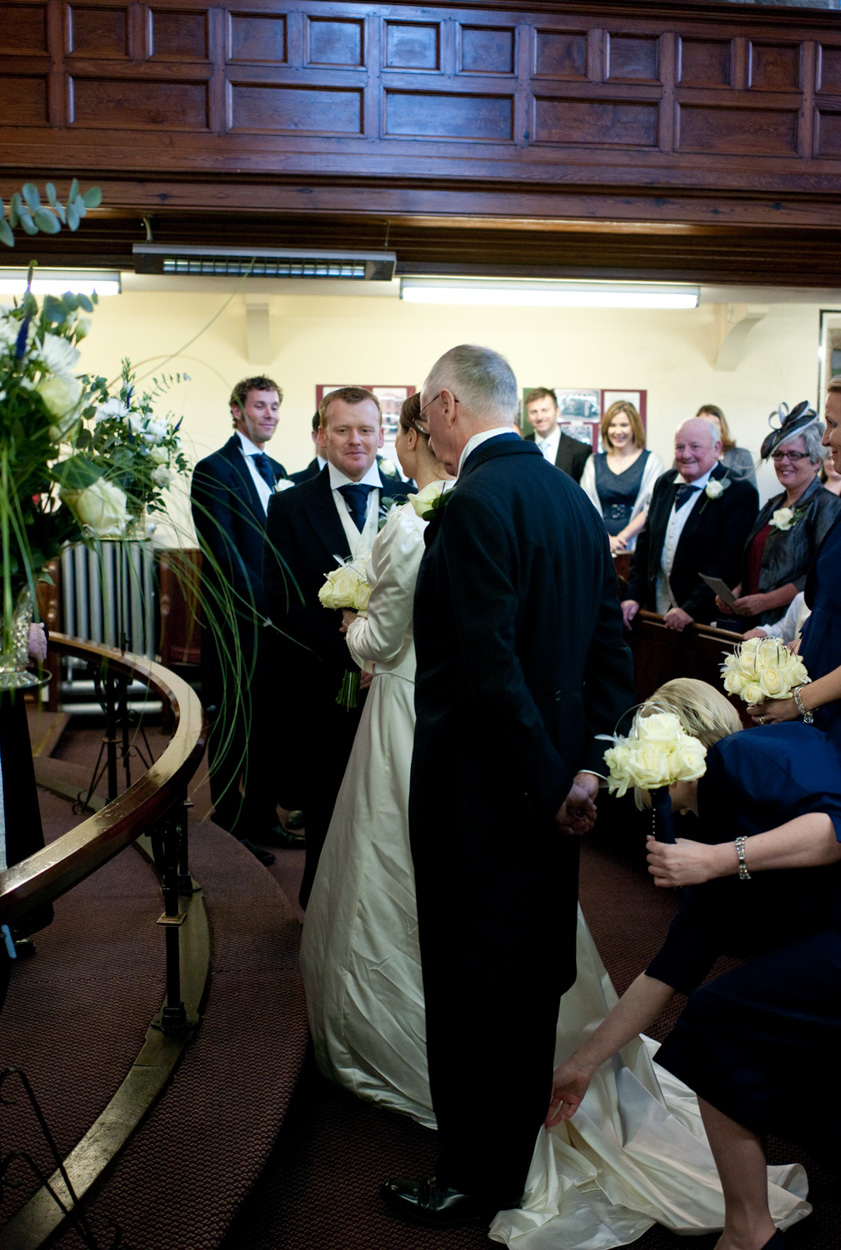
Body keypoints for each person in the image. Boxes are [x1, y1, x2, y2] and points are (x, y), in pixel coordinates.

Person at [382, 345, 636, 1229]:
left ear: (448, 405)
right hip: (555, 791)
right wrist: (587, 769)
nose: (424, 428)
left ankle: (470, 1172)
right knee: (526, 979)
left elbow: (488, 671)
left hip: (481, 796)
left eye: (424, 410)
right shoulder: (571, 500)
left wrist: (547, 781)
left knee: (467, 987)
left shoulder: (474, 504)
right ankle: (512, 1151)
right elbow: (609, 652)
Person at [548, 677, 836, 1250]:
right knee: (731, 1015)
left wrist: (721, 860)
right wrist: (582, 1064)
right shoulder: (703, 829)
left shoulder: (748, 753)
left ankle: (748, 1233)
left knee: (719, 1018)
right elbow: (671, 968)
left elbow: (836, 829)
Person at [299, 393, 452, 1126]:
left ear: (408, 438)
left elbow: (381, 642)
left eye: (379, 430)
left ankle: (383, 1026)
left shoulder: (409, 520)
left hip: (398, 705)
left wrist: (353, 624)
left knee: (385, 849)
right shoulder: (470, 507)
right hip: (450, 703)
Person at [263, 386, 408, 906]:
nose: (355, 440)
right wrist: (347, 646)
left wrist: (382, 648)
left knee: (392, 801)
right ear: (322, 436)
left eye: (365, 430)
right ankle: (322, 905)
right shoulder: (288, 505)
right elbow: (281, 600)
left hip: (395, 679)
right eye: (342, 430)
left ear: (381, 435)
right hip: (324, 682)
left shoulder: (411, 501)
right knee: (328, 799)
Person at [191, 375, 296, 865]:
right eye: (259, 406)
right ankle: (231, 827)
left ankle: (264, 818)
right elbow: (223, 552)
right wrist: (267, 606)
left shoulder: (279, 470)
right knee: (233, 725)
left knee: (271, 724)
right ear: (237, 410)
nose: (269, 414)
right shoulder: (213, 469)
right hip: (237, 624)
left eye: (274, 406)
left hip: (278, 625)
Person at [743, 377, 841, 755]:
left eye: (833, 424)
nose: (827, 439)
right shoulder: (773, 504)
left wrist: (796, 703)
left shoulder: (825, 505)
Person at [622, 417, 758, 631]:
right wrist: (633, 596)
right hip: (657, 612)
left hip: (704, 621)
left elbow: (728, 562)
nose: (686, 455)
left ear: (717, 449)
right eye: (680, 447)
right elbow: (645, 545)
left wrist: (692, 609)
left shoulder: (739, 492)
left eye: (695, 447)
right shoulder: (664, 484)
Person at [715, 403, 839, 631]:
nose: (784, 462)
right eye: (779, 455)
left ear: (815, 461)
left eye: (794, 455)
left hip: (789, 626)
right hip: (754, 623)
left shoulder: (826, 505)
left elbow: (819, 574)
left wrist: (766, 601)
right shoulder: (772, 504)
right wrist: (737, 593)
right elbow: (759, 561)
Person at [580, 399, 664, 553]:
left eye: (624, 425)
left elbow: (651, 506)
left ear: (634, 427)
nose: (618, 431)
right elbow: (586, 504)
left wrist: (621, 538)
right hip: (600, 544)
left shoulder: (652, 461)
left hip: (638, 546)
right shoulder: (593, 462)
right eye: (612, 425)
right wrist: (607, 539)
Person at [523, 386, 591, 482]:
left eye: (545, 410)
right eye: (534, 412)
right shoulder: (522, 447)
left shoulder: (580, 451)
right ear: (528, 417)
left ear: (557, 411)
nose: (539, 417)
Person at [696, 403, 757, 489]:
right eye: (703, 423)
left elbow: (752, 493)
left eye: (714, 423)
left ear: (722, 427)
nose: (709, 428)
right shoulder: (687, 457)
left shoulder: (742, 455)